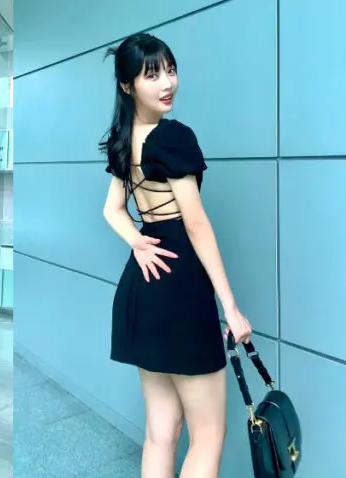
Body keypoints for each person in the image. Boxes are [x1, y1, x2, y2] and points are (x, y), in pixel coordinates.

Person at [100, 33, 253, 477]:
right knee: (208, 435)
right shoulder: (174, 137)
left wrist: (137, 241)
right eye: (152, 75)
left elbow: (112, 210)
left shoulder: (125, 138)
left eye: (170, 70)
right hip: (180, 289)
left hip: (143, 289)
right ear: (127, 85)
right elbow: (196, 223)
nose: (167, 83)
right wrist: (231, 308)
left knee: (160, 431)